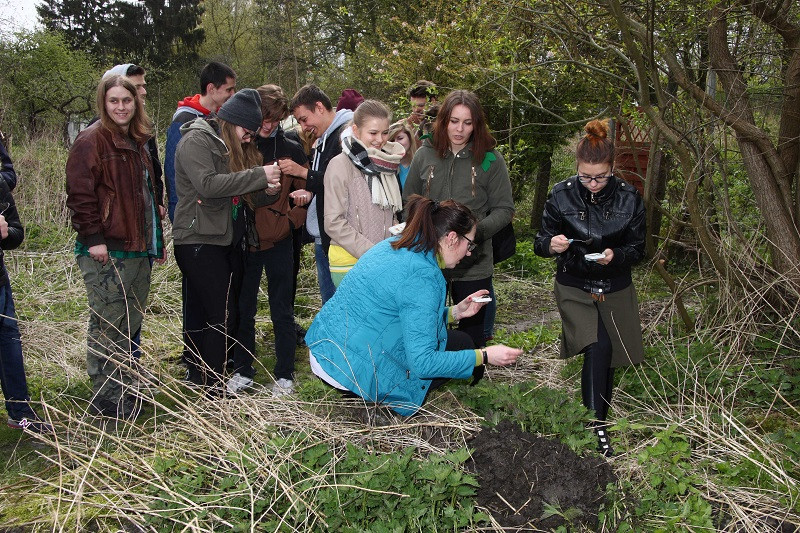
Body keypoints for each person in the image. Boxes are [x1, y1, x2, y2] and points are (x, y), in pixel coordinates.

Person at [306, 195, 521, 416]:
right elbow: (423, 363)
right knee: (462, 346)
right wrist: (484, 355)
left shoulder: (393, 245)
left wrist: (455, 312)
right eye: (470, 244)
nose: (469, 252)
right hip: (348, 370)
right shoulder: (424, 276)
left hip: (326, 349)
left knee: (454, 341)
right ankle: (380, 405)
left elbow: (400, 311)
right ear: (452, 238)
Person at [534, 119, 645, 457]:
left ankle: (602, 416)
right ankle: (597, 428)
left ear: (613, 168)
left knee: (609, 354)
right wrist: (551, 245)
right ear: (577, 168)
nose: (593, 184)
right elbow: (540, 241)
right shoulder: (560, 193)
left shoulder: (630, 198)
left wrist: (617, 254)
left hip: (615, 285)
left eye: (600, 176)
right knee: (597, 345)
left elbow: (639, 249)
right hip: (574, 284)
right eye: (586, 176)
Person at [66, 75, 165, 419]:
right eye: (114, 101)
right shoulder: (92, 140)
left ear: (135, 103)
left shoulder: (137, 140)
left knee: (129, 324)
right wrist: (94, 239)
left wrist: (155, 239)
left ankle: (125, 388)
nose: (121, 106)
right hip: (107, 251)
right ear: (103, 104)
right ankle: (106, 399)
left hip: (138, 248)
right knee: (107, 325)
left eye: (127, 100)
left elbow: (149, 192)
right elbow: (80, 195)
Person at [172, 89, 282, 392]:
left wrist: (265, 191)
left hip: (225, 239)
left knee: (208, 311)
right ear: (231, 122)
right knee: (222, 315)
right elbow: (208, 186)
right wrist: (259, 175)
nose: (249, 139)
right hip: (197, 239)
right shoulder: (196, 141)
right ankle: (213, 385)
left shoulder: (228, 145)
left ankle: (199, 375)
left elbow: (236, 192)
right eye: (247, 132)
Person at [403, 90, 514, 348]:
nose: (460, 129)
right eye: (454, 121)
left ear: (476, 124)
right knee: (428, 321)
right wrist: (424, 230)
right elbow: (409, 200)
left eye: (467, 122)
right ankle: (432, 371)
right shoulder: (424, 154)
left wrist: (473, 236)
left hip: (474, 260)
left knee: (473, 328)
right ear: (443, 120)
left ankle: (472, 378)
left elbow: (504, 208)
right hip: (430, 256)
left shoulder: (490, 159)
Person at [230, 84, 311, 396]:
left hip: (279, 241)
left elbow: (309, 188)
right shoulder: (239, 146)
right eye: (265, 118)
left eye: (276, 120)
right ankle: (242, 370)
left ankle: (285, 373)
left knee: (282, 307)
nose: (269, 125)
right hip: (246, 241)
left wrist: (296, 212)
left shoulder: (291, 144)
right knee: (243, 307)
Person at [164, 61, 236, 377]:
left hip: (210, 225)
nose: (232, 96)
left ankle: (201, 363)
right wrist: (187, 220)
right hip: (196, 228)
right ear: (212, 89)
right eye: (229, 90)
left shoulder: (212, 121)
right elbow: (180, 176)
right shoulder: (187, 123)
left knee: (204, 300)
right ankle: (197, 365)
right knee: (199, 300)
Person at [280, 85, 353, 304]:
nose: (303, 127)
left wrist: (302, 172)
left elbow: (343, 182)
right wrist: (310, 192)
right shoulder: (324, 138)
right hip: (324, 232)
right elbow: (325, 180)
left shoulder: (344, 136)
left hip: (339, 236)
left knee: (336, 301)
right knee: (329, 299)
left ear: (319, 107)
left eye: (304, 119)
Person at [324, 100, 405, 287]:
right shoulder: (339, 165)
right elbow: (333, 223)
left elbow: (388, 213)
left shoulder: (387, 164)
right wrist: (372, 251)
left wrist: (397, 229)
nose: (380, 139)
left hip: (382, 258)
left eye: (385, 133)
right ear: (356, 130)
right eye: (373, 133)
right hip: (349, 261)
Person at [0, 148, 51, 433]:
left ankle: (20, 413)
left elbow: (17, 233)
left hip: (0, 285)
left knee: (9, 344)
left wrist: (6, 234)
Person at [387, 120, 419, 190]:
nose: (396, 143)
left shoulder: (420, 164)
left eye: (400, 138)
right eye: (391, 140)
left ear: (410, 139)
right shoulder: (385, 169)